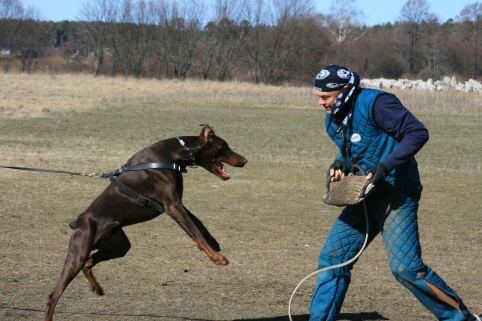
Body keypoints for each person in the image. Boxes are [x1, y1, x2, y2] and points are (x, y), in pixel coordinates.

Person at [310, 64, 480, 321]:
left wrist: (386, 165)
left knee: (406, 268)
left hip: (397, 193)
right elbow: (354, 149)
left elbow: (417, 133)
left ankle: (462, 318)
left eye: (325, 97)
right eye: (319, 97)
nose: (321, 103)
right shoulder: (334, 117)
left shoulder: (378, 104)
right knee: (333, 259)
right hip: (364, 195)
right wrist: (340, 163)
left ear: (344, 90)